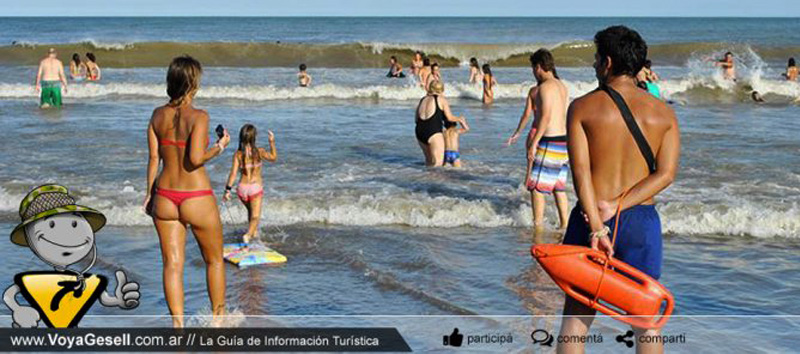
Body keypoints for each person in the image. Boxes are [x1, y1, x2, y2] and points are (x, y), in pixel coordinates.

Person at [557, 26, 680, 353]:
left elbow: (580, 173)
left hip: (592, 218)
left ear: (607, 62)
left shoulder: (582, 108)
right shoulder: (665, 113)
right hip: (641, 222)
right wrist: (620, 203)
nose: (594, 65)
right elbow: (666, 174)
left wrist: (598, 225)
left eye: (597, 59)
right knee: (645, 321)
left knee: (576, 320)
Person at [143, 56, 231, 327]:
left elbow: (154, 158)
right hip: (196, 197)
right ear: (193, 83)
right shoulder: (200, 116)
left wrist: (148, 195)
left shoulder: (157, 114)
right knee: (214, 261)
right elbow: (194, 159)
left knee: (172, 264)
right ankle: (217, 322)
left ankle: (178, 328)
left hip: (165, 196)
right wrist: (220, 146)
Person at [521, 49, 569, 229]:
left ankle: (538, 225)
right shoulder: (561, 85)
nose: (533, 72)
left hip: (549, 141)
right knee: (558, 187)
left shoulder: (544, 88)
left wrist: (534, 144)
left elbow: (545, 117)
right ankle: (564, 225)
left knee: (536, 187)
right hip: (563, 141)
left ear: (539, 67)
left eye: (533, 68)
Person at [223, 124, 278, 243]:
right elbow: (274, 158)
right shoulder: (259, 152)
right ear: (254, 138)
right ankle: (248, 235)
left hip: (242, 189)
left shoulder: (238, 154)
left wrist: (227, 190)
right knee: (256, 216)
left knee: (251, 212)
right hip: (255, 188)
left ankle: (254, 234)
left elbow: (233, 174)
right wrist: (272, 142)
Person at [414, 80, 463, 167]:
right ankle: (437, 180)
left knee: (429, 161)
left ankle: (425, 179)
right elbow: (449, 117)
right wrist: (460, 119)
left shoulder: (422, 99)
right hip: (433, 131)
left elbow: (416, 119)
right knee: (438, 163)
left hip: (419, 132)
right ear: (442, 90)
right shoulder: (441, 99)